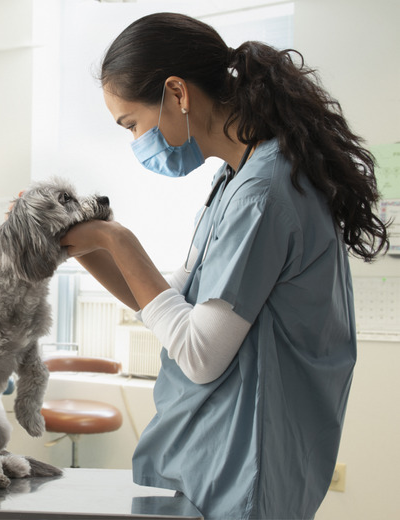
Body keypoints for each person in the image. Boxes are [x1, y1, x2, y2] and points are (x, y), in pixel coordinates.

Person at [60, 12, 388, 520]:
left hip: (247, 468)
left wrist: (114, 238)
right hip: (217, 461)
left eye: (132, 124)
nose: (135, 143)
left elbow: (199, 351)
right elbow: (171, 302)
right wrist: (84, 247)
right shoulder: (232, 183)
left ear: (177, 94)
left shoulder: (263, 193)